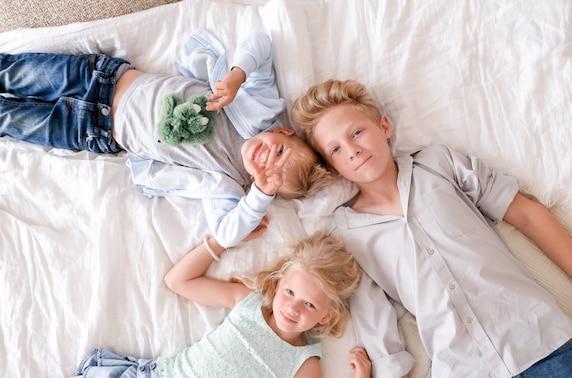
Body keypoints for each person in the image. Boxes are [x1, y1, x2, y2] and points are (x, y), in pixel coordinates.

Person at [290, 79, 572, 378]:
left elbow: (526, 215)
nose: (351, 150)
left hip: (547, 359)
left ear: (384, 125)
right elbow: (380, 335)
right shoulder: (346, 234)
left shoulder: (439, 164)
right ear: (332, 167)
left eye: (356, 132)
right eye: (335, 149)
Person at [0, 30, 333, 248]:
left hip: (91, 130)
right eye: (278, 151)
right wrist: (236, 77)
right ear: (282, 131)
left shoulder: (227, 183)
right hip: (104, 79)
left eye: (270, 175)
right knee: (12, 72)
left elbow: (226, 236)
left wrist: (258, 196)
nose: (265, 159)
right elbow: (260, 43)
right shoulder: (255, 109)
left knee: (9, 118)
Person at [0, 232, 371, 378]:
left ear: (326, 316)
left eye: (309, 305)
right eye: (289, 292)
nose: (292, 308)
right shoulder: (248, 303)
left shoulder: (305, 363)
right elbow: (179, 281)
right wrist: (222, 240)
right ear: (277, 284)